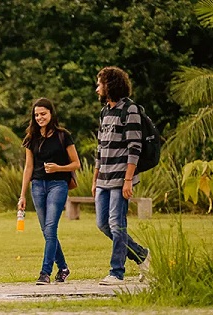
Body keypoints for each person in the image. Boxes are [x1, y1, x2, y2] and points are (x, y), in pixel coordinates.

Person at [93, 66, 151, 285]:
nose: (97, 88)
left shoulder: (130, 109)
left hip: (120, 177)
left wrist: (128, 179)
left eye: (100, 83)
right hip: (104, 178)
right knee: (103, 224)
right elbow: (100, 147)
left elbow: (134, 146)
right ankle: (142, 255)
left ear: (110, 85)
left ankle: (116, 272)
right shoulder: (105, 111)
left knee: (117, 223)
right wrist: (95, 178)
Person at [17, 98, 81, 285]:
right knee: (47, 231)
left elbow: (76, 163)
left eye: (43, 114)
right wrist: (22, 195)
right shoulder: (31, 138)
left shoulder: (63, 135)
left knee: (51, 228)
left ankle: (45, 272)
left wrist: (58, 168)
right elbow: (28, 167)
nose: (39, 117)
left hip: (58, 185)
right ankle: (63, 268)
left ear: (51, 113)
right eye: (36, 115)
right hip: (37, 186)